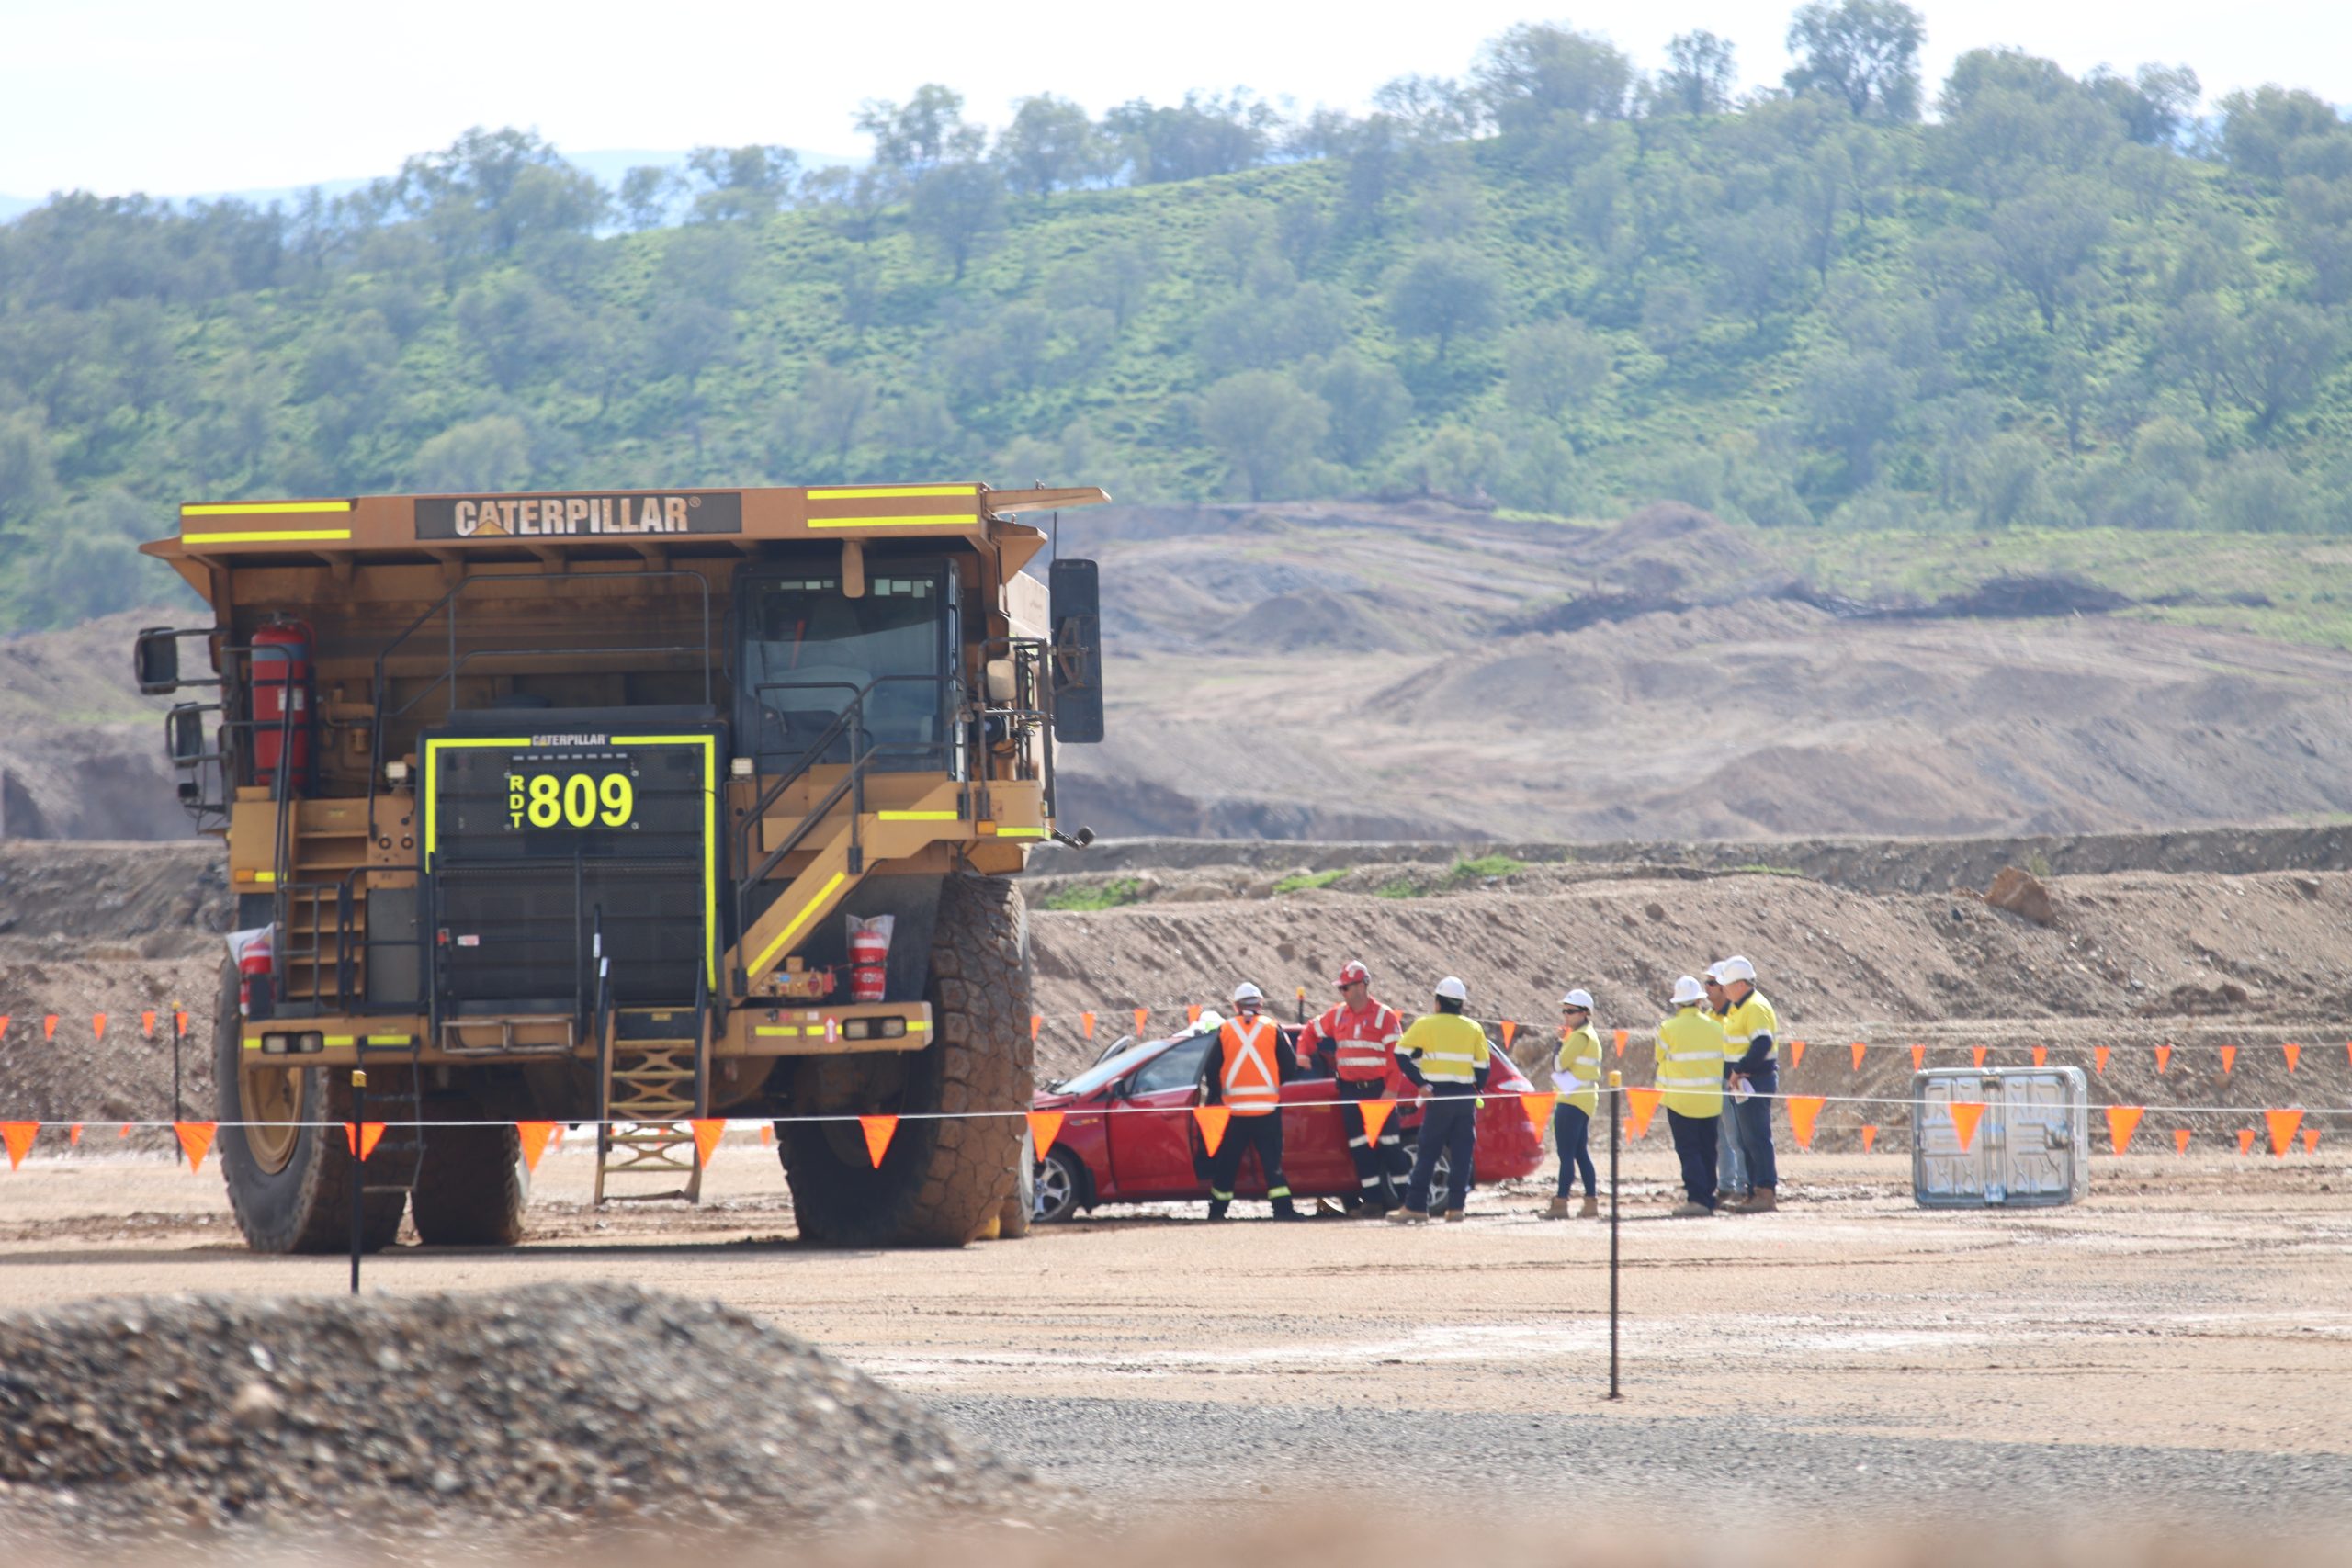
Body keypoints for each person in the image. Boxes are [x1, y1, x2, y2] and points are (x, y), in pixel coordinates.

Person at [1296, 960, 1405, 1213]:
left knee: (1390, 1146)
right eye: (1341, 988)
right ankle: (1373, 1202)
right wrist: (1303, 1052)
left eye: (1345, 987)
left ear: (1361, 986)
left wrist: (1391, 1091)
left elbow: (1396, 1057)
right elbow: (1311, 1029)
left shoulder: (1384, 1016)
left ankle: (1405, 1201)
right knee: (1360, 1147)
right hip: (1349, 1091)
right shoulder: (1338, 1014)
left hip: (1378, 1091)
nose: (1342, 993)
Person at [1390, 976, 1493, 1224]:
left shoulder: (1426, 1024)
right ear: (1461, 1004)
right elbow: (1483, 1069)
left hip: (1438, 1096)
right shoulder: (1473, 1028)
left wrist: (1421, 1084)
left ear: (1437, 1002)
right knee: (1462, 1153)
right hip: (1465, 1097)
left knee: (1428, 1152)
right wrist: (1474, 1088)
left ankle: (1416, 1207)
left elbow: (1400, 1054)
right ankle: (1456, 1208)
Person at [1197, 981, 1303, 1221]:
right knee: (1272, 1164)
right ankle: (1283, 1210)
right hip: (1267, 1109)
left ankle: (1217, 1212)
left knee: (1228, 1164)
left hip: (1234, 1111)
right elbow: (1290, 1067)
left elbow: (1211, 1072)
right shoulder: (1272, 1027)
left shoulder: (1225, 1030)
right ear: (1260, 1005)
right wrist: (1271, 1086)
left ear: (1236, 1006)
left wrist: (1220, 1094)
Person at [1655, 975, 1728, 1216]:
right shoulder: (1716, 1027)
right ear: (1699, 1001)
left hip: (1680, 1100)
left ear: (1678, 1004)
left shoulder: (1668, 1029)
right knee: (1708, 1149)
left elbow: (1659, 1057)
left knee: (1689, 1150)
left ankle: (1697, 1198)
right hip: (1710, 1099)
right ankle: (1708, 1195)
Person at [1717, 954, 1782, 1213]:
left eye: (1727, 984)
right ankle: (1753, 1191)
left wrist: (1741, 1069)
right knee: (1746, 1139)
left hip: (1754, 1080)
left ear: (1741, 984)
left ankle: (1765, 1192)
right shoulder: (1739, 1007)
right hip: (1743, 1083)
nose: (1724, 988)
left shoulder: (1755, 1007)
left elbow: (1762, 1043)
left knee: (1757, 1137)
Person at [1546, 988, 1602, 1220]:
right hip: (1583, 1098)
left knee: (1567, 1153)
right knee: (1579, 1152)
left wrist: (1559, 1042)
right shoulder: (1589, 1034)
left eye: (1570, 1011)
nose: (1566, 1015)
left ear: (1584, 1013)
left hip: (1572, 1099)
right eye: (1564, 1011)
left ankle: (1561, 1202)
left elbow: (1559, 1065)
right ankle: (1590, 1202)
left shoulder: (1579, 1037)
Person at [1702, 962, 1749, 1208]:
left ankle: (1743, 1187)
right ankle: (1726, 1186)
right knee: (1721, 1138)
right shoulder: (1709, 1017)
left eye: (1711, 983)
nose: (1707, 988)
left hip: (1731, 1081)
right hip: (1714, 1082)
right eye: (1706, 983)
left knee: (1736, 1136)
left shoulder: (1734, 1014)